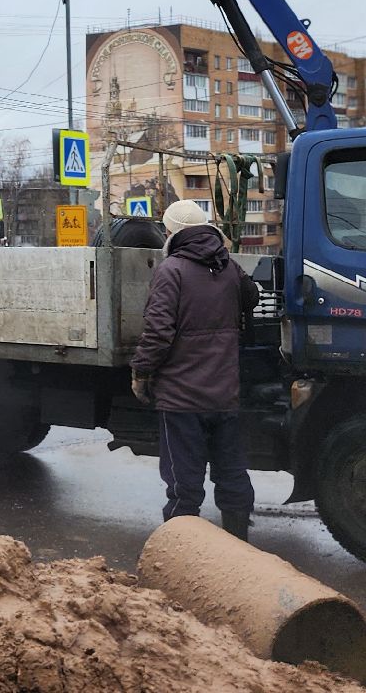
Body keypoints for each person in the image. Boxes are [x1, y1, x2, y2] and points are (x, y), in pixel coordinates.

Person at [129, 199, 260, 540]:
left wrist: (141, 373)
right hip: (225, 394)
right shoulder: (228, 267)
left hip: (182, 398)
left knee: (184, 483)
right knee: (232, 475)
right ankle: (239, 547)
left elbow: (157, 333)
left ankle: (179, 551)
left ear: (171, 232)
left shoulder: (171, 271)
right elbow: (252, 297)